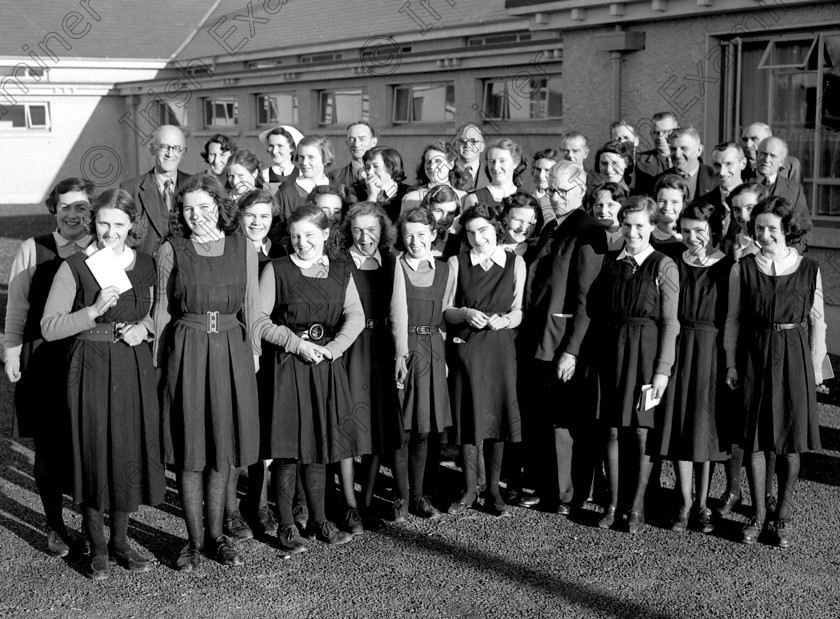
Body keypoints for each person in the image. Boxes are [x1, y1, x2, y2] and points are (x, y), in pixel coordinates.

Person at [41, 188, 164, 580]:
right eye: (103, 223)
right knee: (93, 450)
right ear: (94, 222)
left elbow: (162, 313)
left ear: (133, 226)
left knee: (125, 449)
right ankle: (96, 544)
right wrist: (92, 311)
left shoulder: (146, 264)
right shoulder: (76, 265)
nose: (110, 231)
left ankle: (121, 542)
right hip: (89, 366)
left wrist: (144, 329)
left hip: (132, 366)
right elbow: (49, 326)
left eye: (119, 224)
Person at [155, 174, 261, 571]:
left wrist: (252, 358)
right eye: (188, 208)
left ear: (219, 205)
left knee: (222, 447)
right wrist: (159, 365)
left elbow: (251, 305)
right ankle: (194, 542)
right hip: (187, 349)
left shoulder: (242, 245)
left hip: (232, 349)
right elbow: (163, 312)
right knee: (190, 450)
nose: (196, 215)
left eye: (204, 206)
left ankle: (217, 537)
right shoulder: (173, 249)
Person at [256, 205, 364, 551]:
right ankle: (287, 525)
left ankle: (319, 520)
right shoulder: (277, 269)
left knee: (318, 448)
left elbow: (355, 316)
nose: (302, 243)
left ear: (326, 234)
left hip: (325, 365)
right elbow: (258, 320)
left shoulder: (341, 270)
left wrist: (333, 349)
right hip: (288, 365)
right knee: (287, 450)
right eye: (295, 236)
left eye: (309, 235)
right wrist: (295, 343)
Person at [724, 196, 825, 547]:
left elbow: (817, 323)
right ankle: (758, 515)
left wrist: (815, 369)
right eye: (759, 228)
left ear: (787, 228)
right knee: (754, 438)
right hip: (754, 355)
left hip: (794, 355)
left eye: (771, 228)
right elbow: (733, 319)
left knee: (790, 441)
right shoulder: (744, 267)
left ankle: (782, 516)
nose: (764, 234)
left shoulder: (810, 268)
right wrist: (731, 363)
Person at [4, 177, 95, 557]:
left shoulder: (100, 250)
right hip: (41, 355)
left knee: (89, 442)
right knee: (47, 447)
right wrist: (10, 351)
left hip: (89, 355)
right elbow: (17, 306)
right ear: (53, 209)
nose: (73, 214)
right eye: (65, 207)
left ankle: (94, 527)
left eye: (82, 207)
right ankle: (55, 525)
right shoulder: (33, 249)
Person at [517, 161, 606, 514]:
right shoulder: (555, 224)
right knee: (539, 415)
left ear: (580, 190)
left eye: (562, 191)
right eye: (550, 190)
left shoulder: (587, 230)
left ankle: (567, 494)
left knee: (563, 421)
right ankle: (545, 486)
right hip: (537, 335)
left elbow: (588, 299)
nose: (554, 196)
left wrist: (572, 350)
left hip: (562, 339)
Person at [590, 196, 679, 533]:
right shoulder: (612, 262)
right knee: (611, 428)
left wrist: (661, 371)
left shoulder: (663, 266)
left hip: (646, 357)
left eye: (640, 225)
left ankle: (636, 507)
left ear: (653, 226)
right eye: (627, 224)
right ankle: (612, 504)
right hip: (612, 353)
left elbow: (671, 323)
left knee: (640, 431)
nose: (632, 231)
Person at [651, 201, 733, 534]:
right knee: (680, 427)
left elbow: (733, 318)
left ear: (713, 230)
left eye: (699, 230)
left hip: (712, 352)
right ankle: (684, 502)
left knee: (704, 428)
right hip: (680, 348)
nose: (692, 237)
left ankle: (703, 504)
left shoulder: (729, 267)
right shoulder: (672, 263)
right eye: (685, 231)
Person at [443, 203, 525, 517]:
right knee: (469, 418)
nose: (479, 239)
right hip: (468, 348)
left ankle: (493, 490)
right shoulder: (457, 263)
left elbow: (518, 310)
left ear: (496, 229)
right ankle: (468, 488)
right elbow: (446, 310)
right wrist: (464, 313)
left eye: (484, 231)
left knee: (497, 419)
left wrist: (506, 321)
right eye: (471, 233)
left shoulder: (515, 262)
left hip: (501, 348)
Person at [223, 189, 287, 541]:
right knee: (237, 428)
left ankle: (258, 502)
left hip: (271, 349)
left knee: (263, 429)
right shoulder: (230, 251)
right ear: (239, 217)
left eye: (264, 216)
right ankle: (229, 510)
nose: (258, 222)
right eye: (251, 215)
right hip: (237, 347)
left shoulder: (278, 254)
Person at [336, 202, 402, 529]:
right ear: (350, 231)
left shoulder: (391, 262)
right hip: (351, 348)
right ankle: (348, 504)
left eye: (372, 230)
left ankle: (367, 501)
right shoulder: (340, 262)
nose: (365, 237)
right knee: (350, 424)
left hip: (381, 349)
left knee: (378, 425)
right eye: (359, 230)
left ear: (382, 231)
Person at [390, 207, 454, 520]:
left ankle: (418, 496)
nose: (414, 241)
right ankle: (400, 498)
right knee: (402, 429)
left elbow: (444, 315)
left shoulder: (444, 270)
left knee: (423, 431)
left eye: (421, 234)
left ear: (433, 234)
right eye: (408, 235)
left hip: (433, 352)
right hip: (403, 350)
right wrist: (398, 355)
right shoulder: (395, 268)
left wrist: (442, 360)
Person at [120, 124, 191, 258]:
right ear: (152, 149)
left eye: (176, 148)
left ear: (184, 153)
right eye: (164, 147)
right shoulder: (130, 189)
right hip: (146, 271)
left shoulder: (194, 185)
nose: (170, 154)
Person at [272, 135, 335, 246]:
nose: (304, 163)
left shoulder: (337, 189)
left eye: (311, 157)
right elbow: (276, 231)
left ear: (325, 159)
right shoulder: (287, 191)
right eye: (301, 157)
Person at [654, 127, 718, 203]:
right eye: (673, 149)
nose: (677, 155)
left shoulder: (716, 179)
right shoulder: (659, 181)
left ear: (699, 150)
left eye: (684, 148)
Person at [402, 141, 468, 211]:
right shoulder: (411, 198)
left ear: (450, 164)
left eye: (438, 161)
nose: (432, 166)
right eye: (428, 162)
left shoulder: (463, 198)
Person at [464, 138, 528, 209]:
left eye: (502, 161)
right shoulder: (475, 199)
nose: (496, 167)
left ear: (515, 163)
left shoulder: (527, 199)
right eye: (492, 161)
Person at [329, 121, 378, 201]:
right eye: (352, 140)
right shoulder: (334, 177)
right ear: (347, 143)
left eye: (362, 139)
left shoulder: (384, 175)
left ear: (373, 142)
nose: (356, 144)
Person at [635, 111, 678, 197]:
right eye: (656, 132)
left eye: (666, 132)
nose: (660, 137)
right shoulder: (638, 161)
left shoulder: (688, 159)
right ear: (651, 134)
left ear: (677, 131)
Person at [363, 146, 410, 223]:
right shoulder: (358, 193)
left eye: (375, 166)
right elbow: (365, 224)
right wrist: (372, 196)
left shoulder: (408, 193)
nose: (369, 172)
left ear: (391, 167)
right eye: (367, 167)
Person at [651, 174, 690, 260]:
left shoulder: (691, 240)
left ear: (684, 204)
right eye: (662, 201)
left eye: (675, 202)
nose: (667, 207)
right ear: (655, 202)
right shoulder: (644, 237)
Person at [422, 185, 463, 261]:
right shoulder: (414, 236)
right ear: (427, 208)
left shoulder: (459, 244)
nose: (444, 218)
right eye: (438, 211)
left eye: (450, 213)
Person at [259, 125, 303, 190]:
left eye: (280, 146)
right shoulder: (263, 176)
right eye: (271, 146)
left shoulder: (302, 176)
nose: (274, 151)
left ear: (292, 148)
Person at [499, 192, 543, 258]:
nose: (523, 229)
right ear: (505, 217)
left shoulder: (534, 256)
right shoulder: (486, 244)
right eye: (518, 220)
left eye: (530, 223)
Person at [590, 182, 628, 250]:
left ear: (622, 207)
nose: (603, 211)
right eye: (599, 205)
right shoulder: (583, 238)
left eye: (610, 205)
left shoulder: (632, 237)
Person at [452, 122, 487, 191]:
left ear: (482, 147)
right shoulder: (445, 172)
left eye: (473, 141)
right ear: (456, 145)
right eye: (462, 141)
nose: (467, 145)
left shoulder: (491, 173)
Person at [530, 148, 562, 223]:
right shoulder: (528, 198)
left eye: (547, 170)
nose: (541, 175)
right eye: (538, 169)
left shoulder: (563, 203)